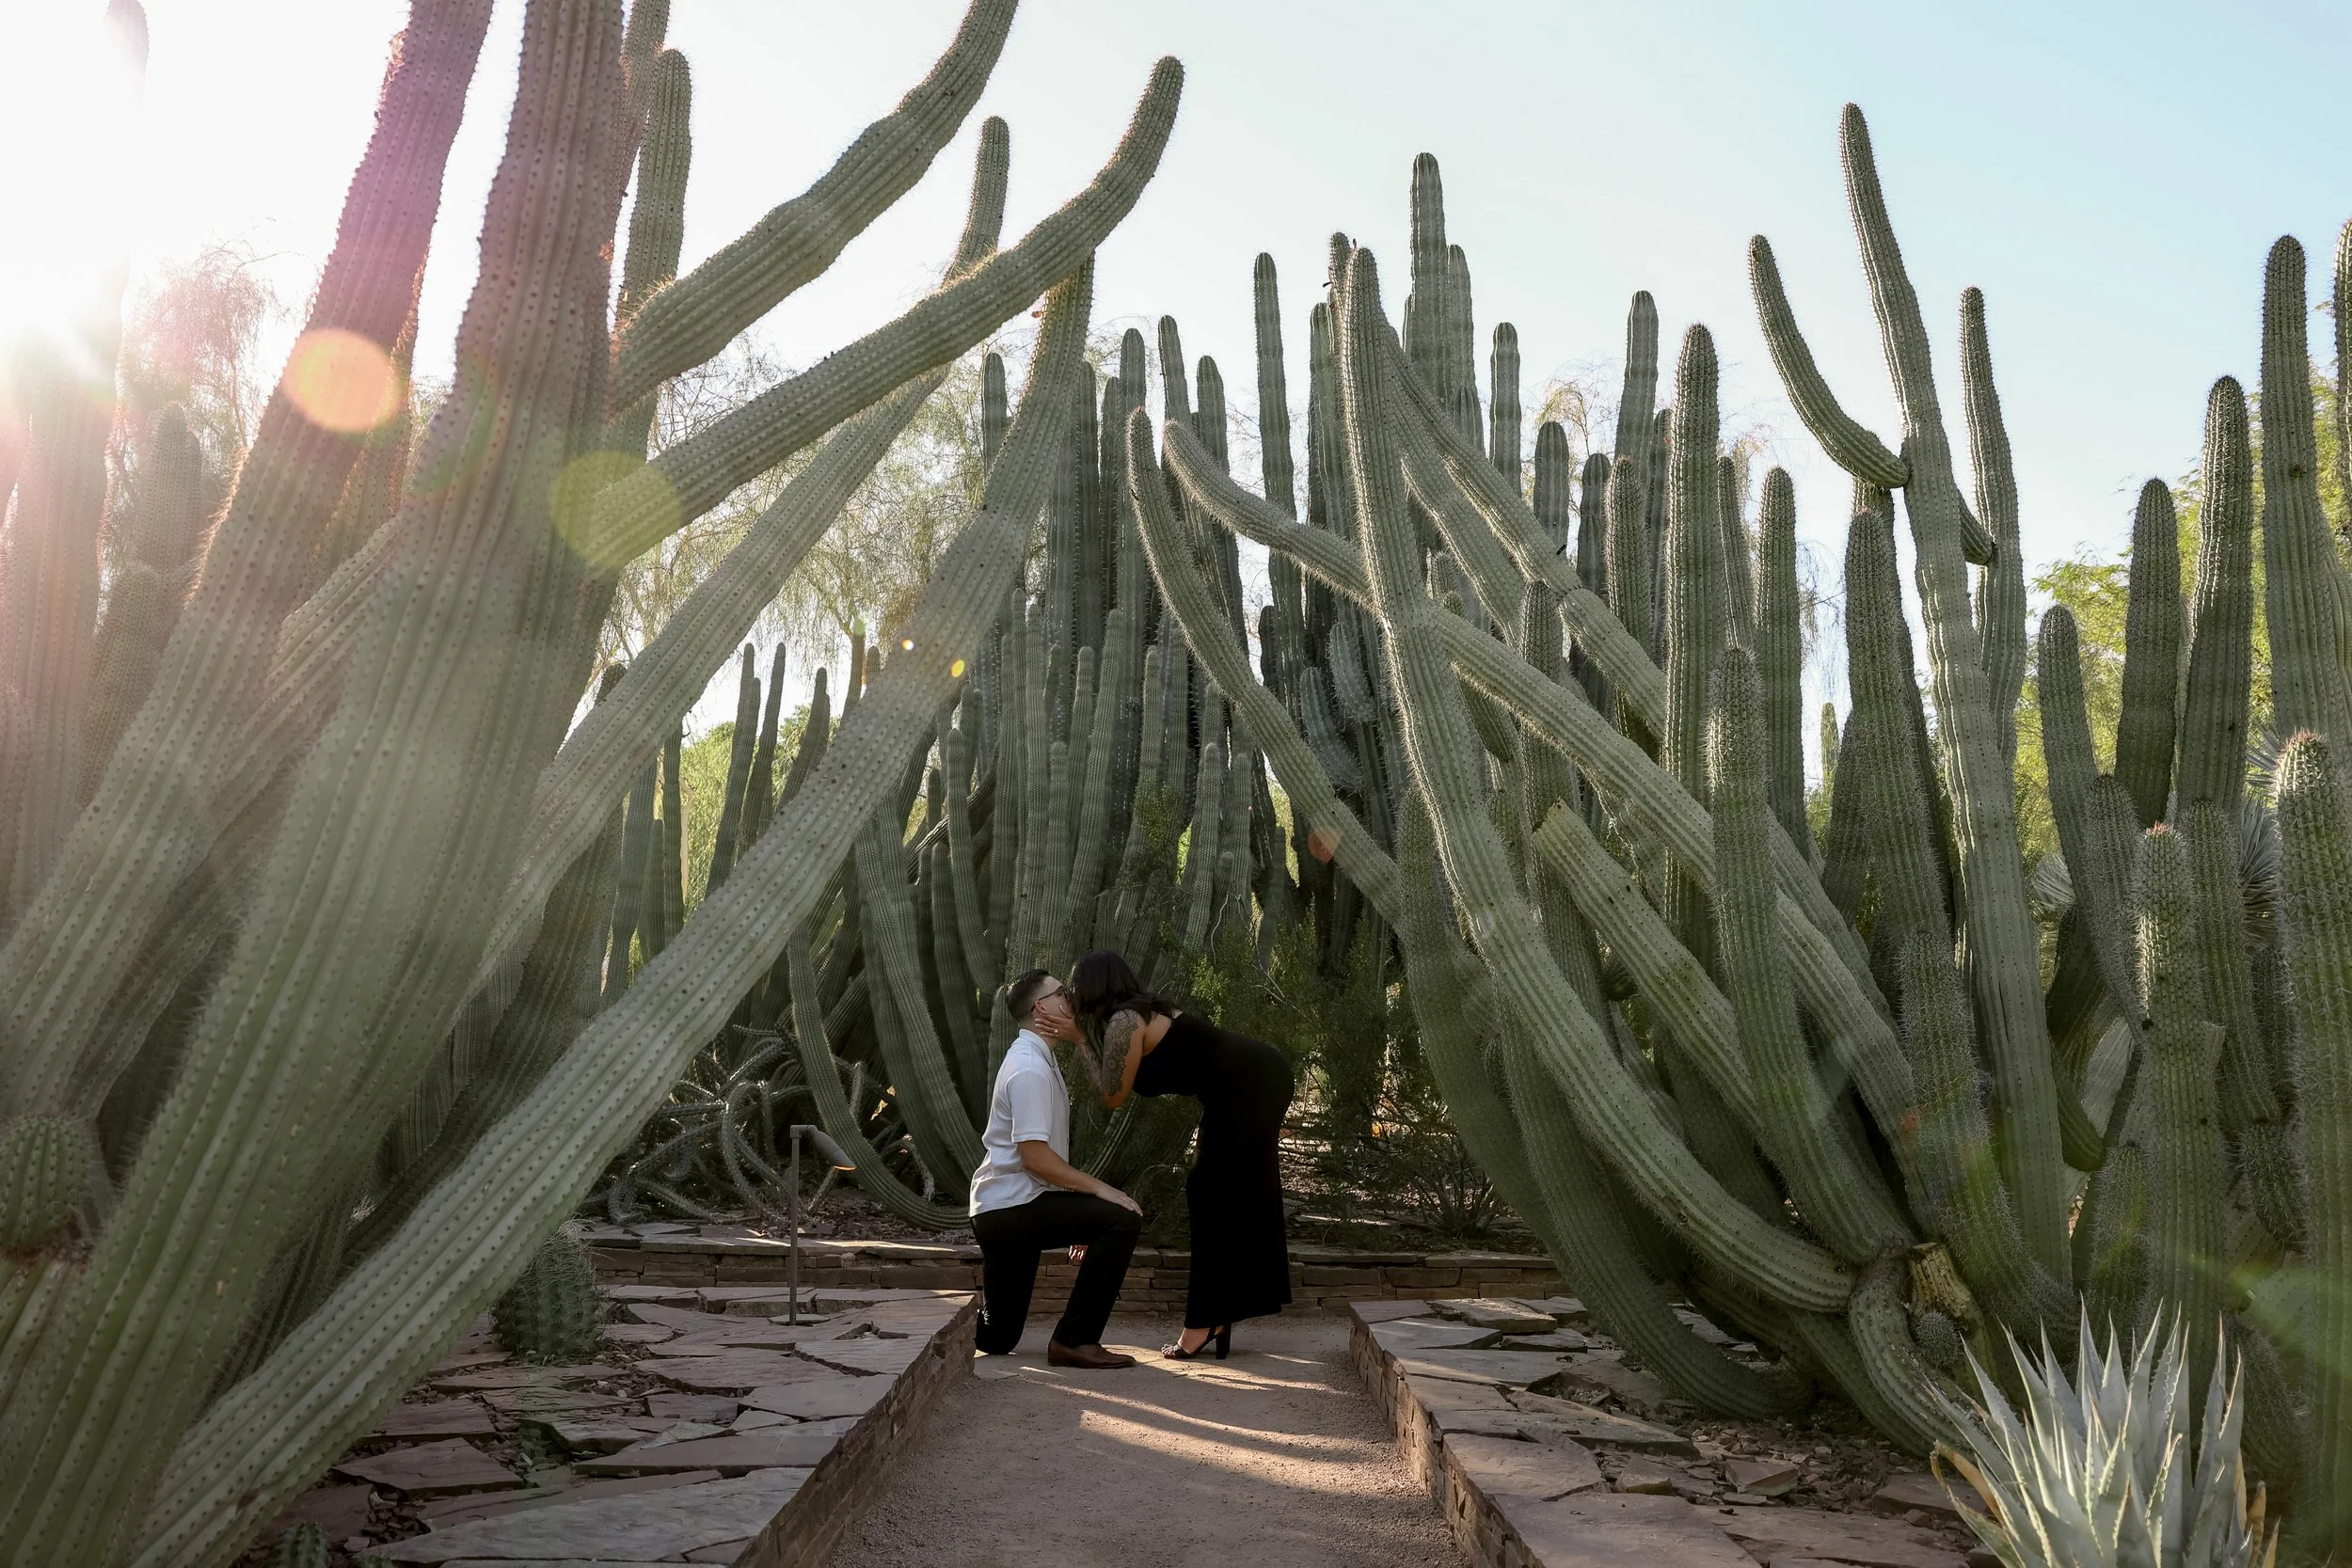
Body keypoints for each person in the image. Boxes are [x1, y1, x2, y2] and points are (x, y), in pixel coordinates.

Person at [1059, 950, 1295, 1359]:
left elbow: (1112, 1096)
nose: (1071, 997)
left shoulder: (1126, 1020)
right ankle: (1218, 1316)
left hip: (1252, 1084)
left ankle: (1203, 1324)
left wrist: (1079, 1040)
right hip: (1251, 1081)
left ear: (1093, 988)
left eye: (1074, 988)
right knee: (1223, 1195)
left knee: (1209, 1194)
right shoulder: (1139, 1013)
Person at [967, 967, 1144, 1369]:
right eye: (1062, 992)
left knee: (997, 1338)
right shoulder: (1029, 1068)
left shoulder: (1038, 1060)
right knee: (1121, 1218)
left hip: (1006, 1209)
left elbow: (1042, 1158)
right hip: (1012, 1210)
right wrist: (1099, 1190)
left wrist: (1077, 1216)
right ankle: (1074, 1341)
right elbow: (1035, 1159)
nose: (1071, 996)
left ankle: (933, 1323)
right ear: (1041, 1008)